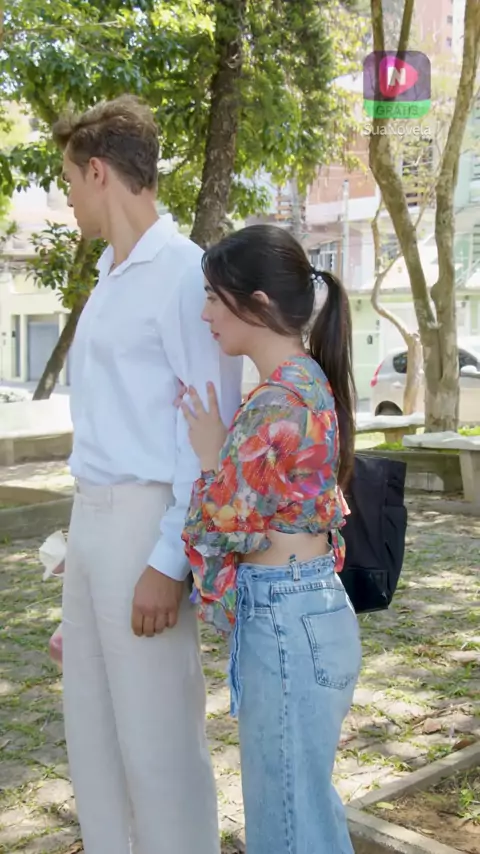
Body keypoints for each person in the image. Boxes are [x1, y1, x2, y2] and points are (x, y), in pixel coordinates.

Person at [56, 95, 243, 854]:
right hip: (91, 520)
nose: (68, 198)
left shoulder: (184, 274)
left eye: (69, 180)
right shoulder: (108, 274)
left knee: (159, 743)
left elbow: (206, 431)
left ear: (98, 171)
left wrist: (169, 561)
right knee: (93, 739)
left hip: (147, 523)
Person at [181, 224, 362, 854]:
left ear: (255, 303)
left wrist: (211, 456)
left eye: (213, 297)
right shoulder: (307, 381)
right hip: (308, 606)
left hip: (284, 615)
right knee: (305, 811)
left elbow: (223, 524)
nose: (205, 314)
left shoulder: (274, 403)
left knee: (287, 823)